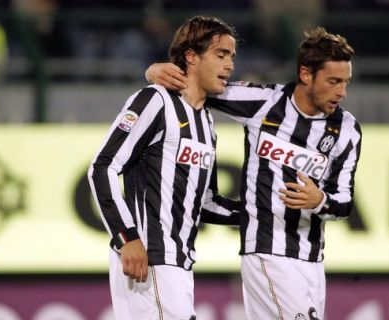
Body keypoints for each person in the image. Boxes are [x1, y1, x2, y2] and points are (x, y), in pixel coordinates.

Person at [146, 27, 362, 320]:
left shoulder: (348, 130)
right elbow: (201, 86)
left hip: (312, 260)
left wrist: (319, 200)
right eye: (334, 81)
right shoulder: (264, 102)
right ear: (306, 75)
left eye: (346, 82)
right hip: (268, 253)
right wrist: (155, 71)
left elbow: (345, 202)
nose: (342, 92)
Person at [87, 15, 240, 320]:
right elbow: (102, 167)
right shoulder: (154, 100)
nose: (230, 65)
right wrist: (126, 237)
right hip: (149, 259)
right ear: (191, 57)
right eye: (221, 55)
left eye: (232, 57)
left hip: (179, 263)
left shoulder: (207, 123)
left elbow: (206, 202)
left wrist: (259, 213)